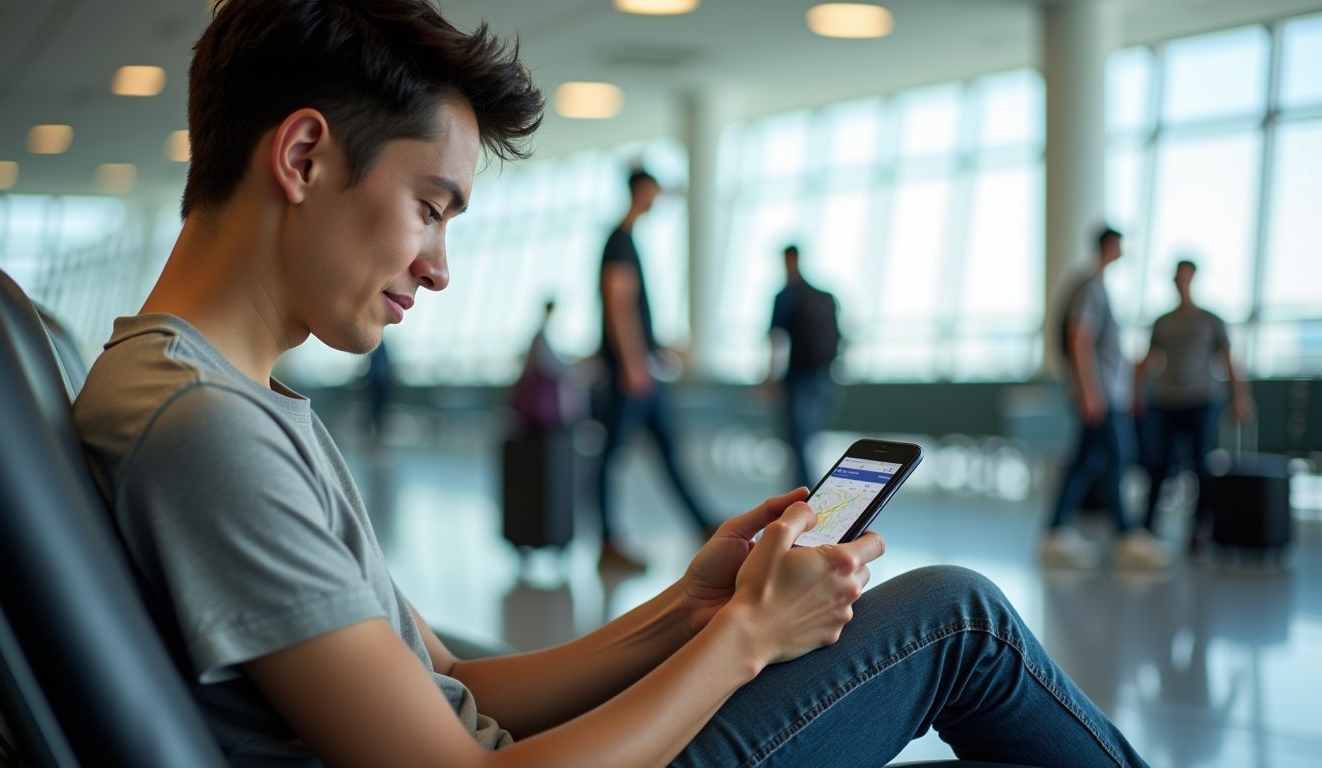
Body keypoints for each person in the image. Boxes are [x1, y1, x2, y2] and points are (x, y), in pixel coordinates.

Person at [72, 2, 1149, 765]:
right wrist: (747, 640)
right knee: (956, 621)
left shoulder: (217, 399)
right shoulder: (206, 430)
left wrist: (692, 608)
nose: (441, 266)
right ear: (303, 158)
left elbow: (452, 685)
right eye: (431, 207)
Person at [596, 169, 715, 571]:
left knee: (667, 451)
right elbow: (618, 303)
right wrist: (632, 364)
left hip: (642, 368)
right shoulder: (620, 241)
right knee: (610, 457)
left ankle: (704, 525)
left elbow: (632, 312)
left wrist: (658, 348)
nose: (657, 199)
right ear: (640, 191)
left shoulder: (628, 241)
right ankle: (608, 542)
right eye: (654, 192)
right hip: (631, 374)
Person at [1042, 227, 1170, 570]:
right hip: (1100, 396)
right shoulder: (1091, 288)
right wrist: (1090, 393)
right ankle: (1127, 536)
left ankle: (1055, 532)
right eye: (1119, 246)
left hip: (1107, 394)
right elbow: (1078, 339)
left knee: (1087, 461)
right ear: (1109, 246)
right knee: (1118, 458)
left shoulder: (1097, 287)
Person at [1134, 259, 1253, 552]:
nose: (1182, 283)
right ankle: (1148, 526)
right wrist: (1134, 392)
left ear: (1193, 280)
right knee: (1158, 463)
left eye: (1187, 278)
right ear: (1174, 282)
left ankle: (1199, 528)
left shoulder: (1211, 320)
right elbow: (1148, 360)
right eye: (1178, 279)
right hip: (1165, 400)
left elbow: (1228, 360)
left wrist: (1241, 397)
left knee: (1201, 465)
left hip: (1202, 399)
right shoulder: (1163, 322)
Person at [767, 244, 841, 490]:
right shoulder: (823, 295)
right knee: (808, 438)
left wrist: (771, 376)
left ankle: (803, 494)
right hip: (825, 376)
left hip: (798, 377)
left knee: (796, 440)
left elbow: (777, 340)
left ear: (787, 260)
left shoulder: (786, 296)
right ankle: (808, 491)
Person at [510, 300, 584, 434]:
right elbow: (548, 364)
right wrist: (570, 370)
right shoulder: (541, 336)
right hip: (540, 395)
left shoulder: (541, 335)